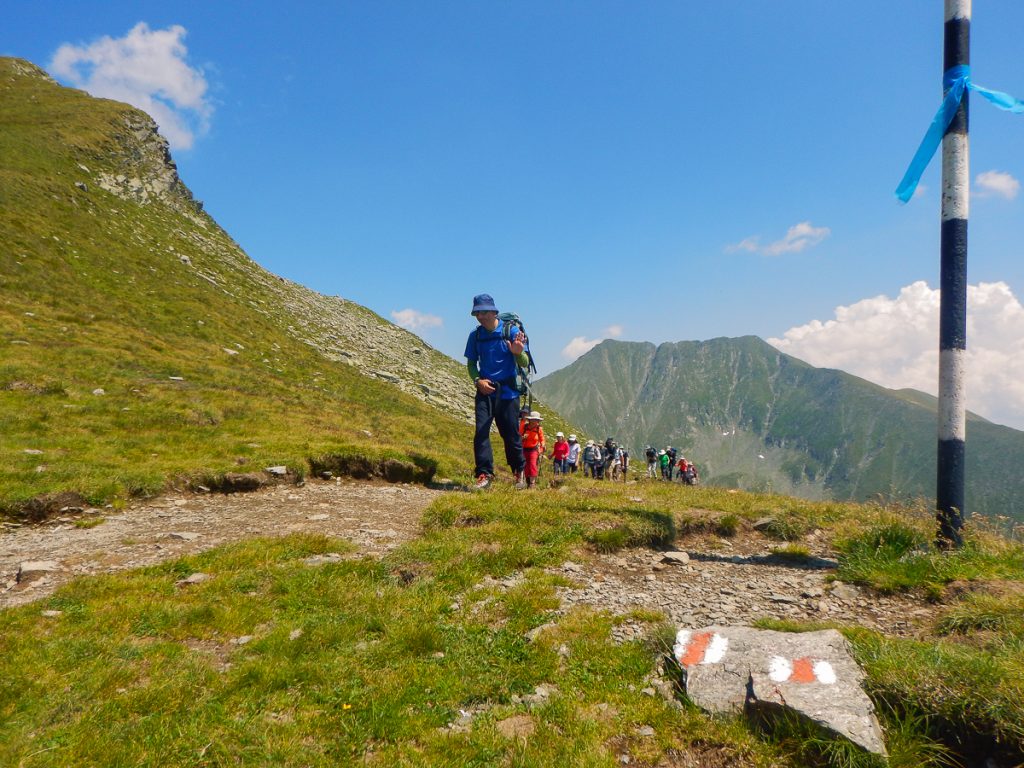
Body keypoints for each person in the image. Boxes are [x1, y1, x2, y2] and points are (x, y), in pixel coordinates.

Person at [465, 293, 529, 490]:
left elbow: (524, 362)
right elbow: (471, 364)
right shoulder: (475, 336)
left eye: (484, 312)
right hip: (485, 391)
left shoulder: (511, 330)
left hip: (508, 393)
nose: (481, 316)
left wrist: (518, 353)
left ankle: (519, 471)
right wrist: (478, 381)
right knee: (481, 432)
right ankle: (484, 474)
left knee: (510, 434)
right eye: (477, 313)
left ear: (494, 311)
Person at [520, 411, 546, 487]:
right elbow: (518, 436)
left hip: (533, 449)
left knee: (532, 465)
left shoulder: (539, 429)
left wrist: (543, 445)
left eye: (537, 420)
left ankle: (532, 483)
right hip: (524, 449)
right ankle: (527, 481)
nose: (536, 421)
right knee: (526, 465)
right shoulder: (524, 427)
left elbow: (542, 439)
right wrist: (522, 438)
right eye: (534, 419)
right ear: (530, 420)